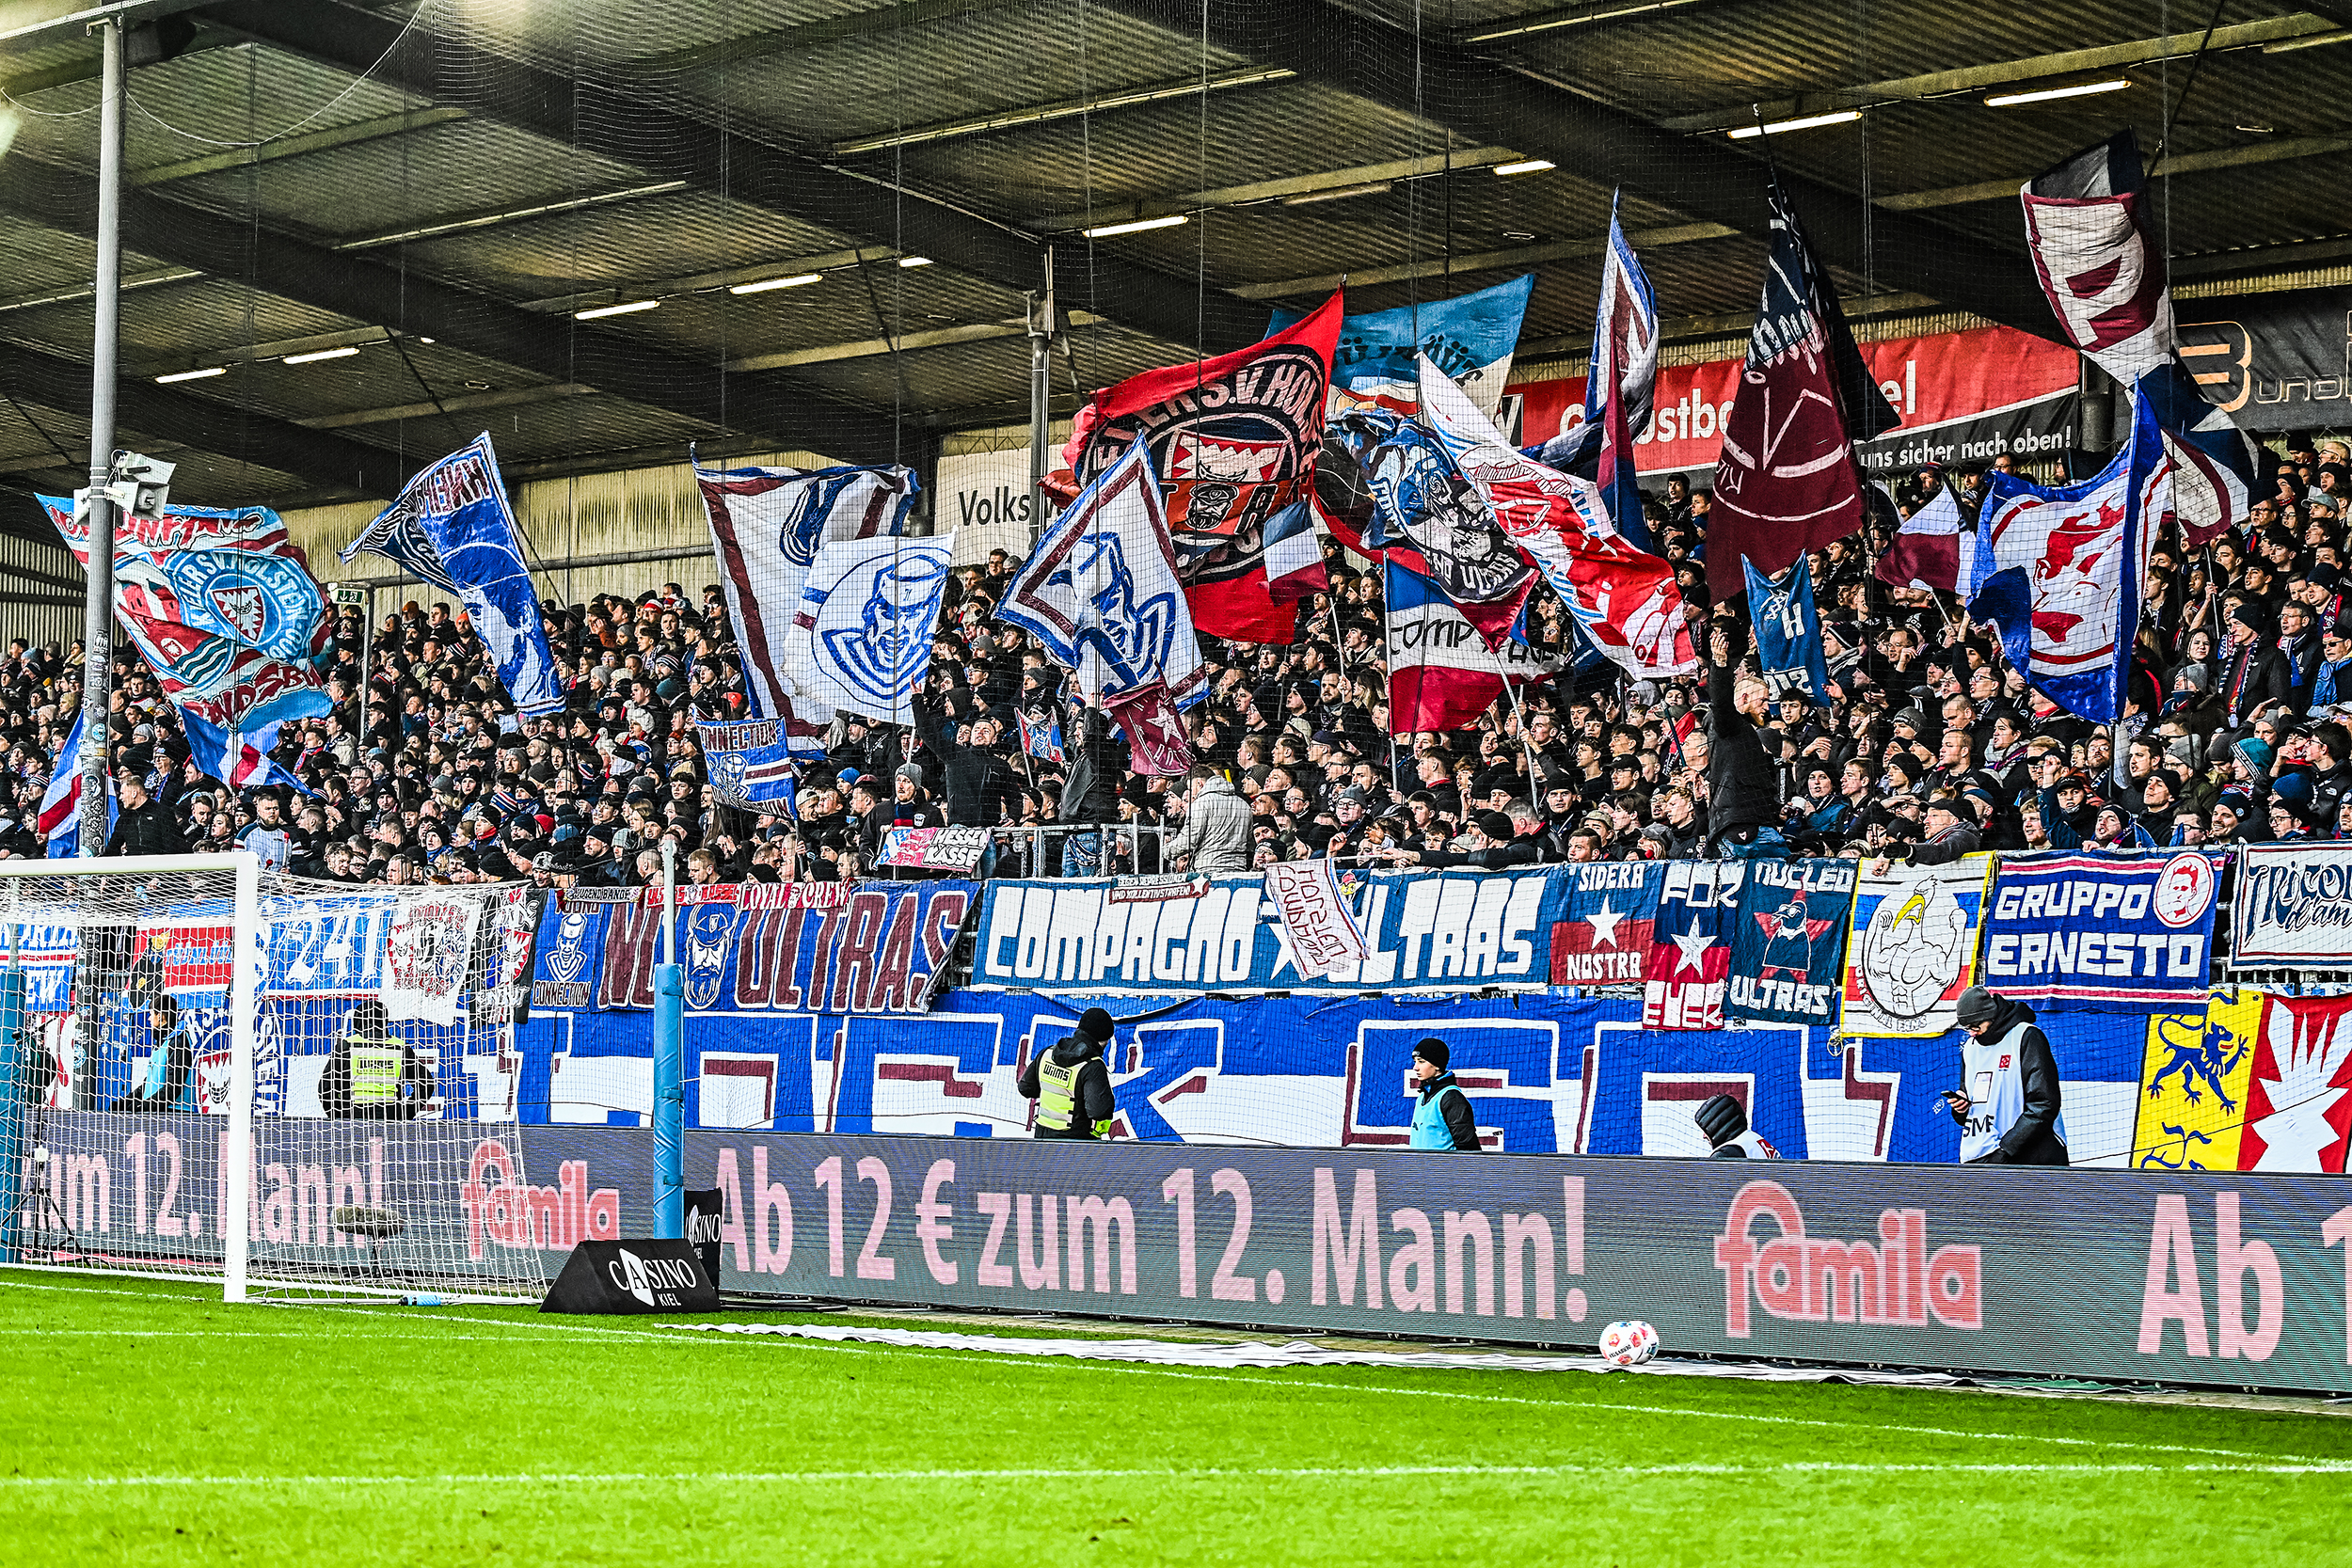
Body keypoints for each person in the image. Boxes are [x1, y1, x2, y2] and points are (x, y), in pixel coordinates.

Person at [1947, 985, 2068, 1165]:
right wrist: (1961, 1108)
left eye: (1975, 1026)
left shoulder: (2026, 1036)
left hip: (2031, 1157)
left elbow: (2044, 1103)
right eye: (1966, 1028)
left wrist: (2006, 1149)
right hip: (1983, 1156)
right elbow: (1977, 1107)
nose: (1971, 1032)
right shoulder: (1970, 1048)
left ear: (1990, 1017)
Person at [319, 998, 436, 1119]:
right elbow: (426, 1084)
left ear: (358, 1021)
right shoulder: (401, 1047)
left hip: (354, 1115)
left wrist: (338, 1116)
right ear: (384, 1021)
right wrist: (406, 1113)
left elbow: (325, 1088)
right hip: (392, 1115)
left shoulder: (347, 1045)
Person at [1017, 1006, 1119, 1139]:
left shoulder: (1047, 1053)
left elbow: (1025, 1088)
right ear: (1104, 1039)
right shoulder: (1092, 1066)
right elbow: (1099, 1111)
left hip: (1042, 1139)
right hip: (1075, 1144)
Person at [1163, 765, 1250, 873]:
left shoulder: (1200, 804)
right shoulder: (1244, 805)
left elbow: (1189, 840)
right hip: (1239, 871)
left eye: (1190, 788)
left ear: (1200, 784)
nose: (1191, 793)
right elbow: (1249, 841)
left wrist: (1166, 851)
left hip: (1209, 870)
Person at [1407, 1037, 1480, 1151]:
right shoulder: (1422, 1097)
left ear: (1437, 1065)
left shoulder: (1451, 1098)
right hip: (1419, 1168)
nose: (1415, 1067)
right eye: (1415, 1061)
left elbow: (1468, 1149)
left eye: (1421, 1061)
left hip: (1443, 1169)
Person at [103, 771, 187, 858]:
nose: (121, 798)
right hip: (132, 868)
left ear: (134, 793)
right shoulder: (125, 818)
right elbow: (112, 849)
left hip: (158, 868)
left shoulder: (162, 812)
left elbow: (173, 848)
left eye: (123, 793)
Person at [1692, 1092, 1779, 1158]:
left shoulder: (1728, 1153)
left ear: (1717, 1126)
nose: (1704, 1136)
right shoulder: (1752, 1138)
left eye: (1706, 1131)